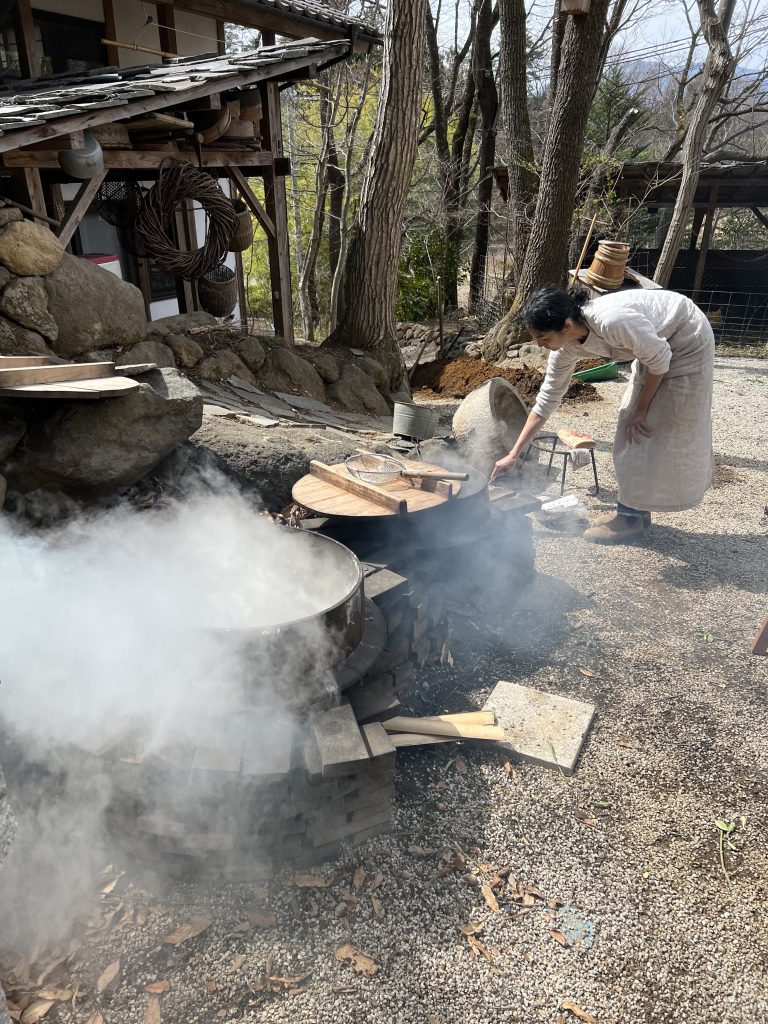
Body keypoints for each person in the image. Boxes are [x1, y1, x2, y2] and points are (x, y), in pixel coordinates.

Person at [491, 284, 715, 544]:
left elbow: (661, 359)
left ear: (566, 326)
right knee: (628, 427)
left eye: (543, 338)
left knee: (652, 425)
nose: (540, 346)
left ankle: (630, 519)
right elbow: (546, 400)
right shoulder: (565, 347)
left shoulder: (611, 321)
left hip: (686, 338)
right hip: (656, 347)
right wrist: (513, 454)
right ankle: (633, 510)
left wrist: (642, 410)